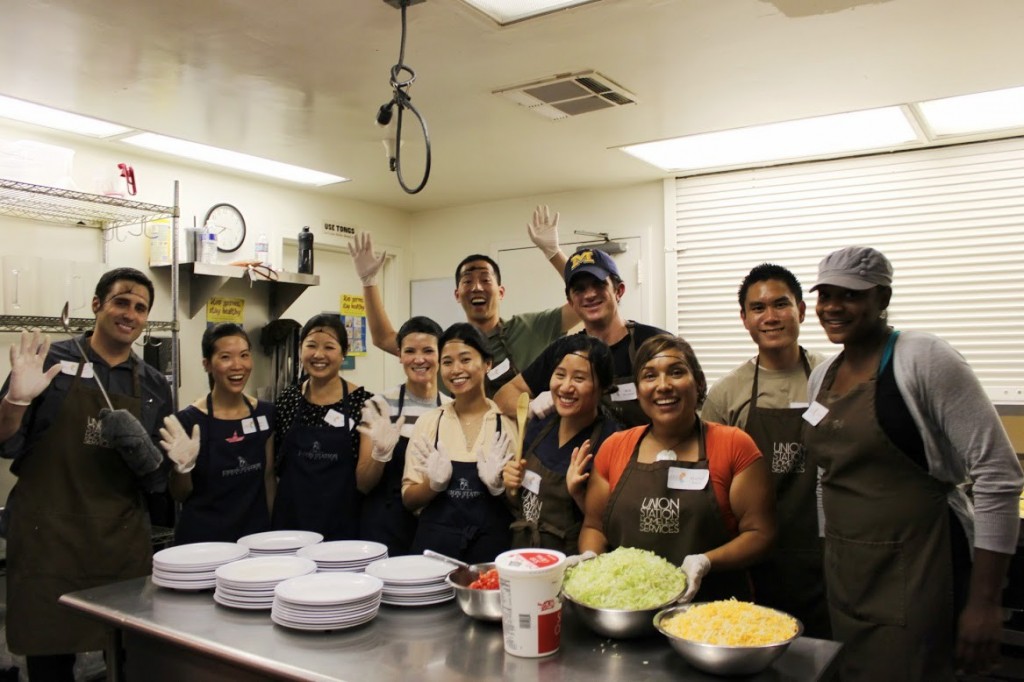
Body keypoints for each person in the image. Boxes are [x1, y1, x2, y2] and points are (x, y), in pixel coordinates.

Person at [803, 246, 1024, 680]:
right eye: (825, 295)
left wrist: (984, 603)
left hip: (922, 566)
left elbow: (998, 474)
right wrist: (830, 549)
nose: (832, 307)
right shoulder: (821, 376)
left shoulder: (922, 358)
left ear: (882, 299)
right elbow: (825, 475)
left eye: (849, 295)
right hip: (849, 573)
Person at [0, 267, 172, 681]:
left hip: (117, 543)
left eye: (141, 307)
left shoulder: (151, 385)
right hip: (49, 540)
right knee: (49, 659)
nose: (130, 313)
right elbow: (4, 442)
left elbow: (157, 477)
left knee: (127, 657)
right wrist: (15, 400)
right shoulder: (51, 364)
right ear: (97, 305)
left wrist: (164, 462)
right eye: (121, 302)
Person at [578, 334, 775, 602]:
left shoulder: (734, 445)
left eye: (676, 372)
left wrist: (705, 562)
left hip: (714, 612)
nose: (663, 385)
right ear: (638, 391)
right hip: (629, 607)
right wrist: (590, 561)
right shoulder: (615, 447)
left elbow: (760, 534)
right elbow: (594, 527)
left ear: (699, 383)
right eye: (649, 376)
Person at [700, 263, 830, 637]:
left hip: (825, 553)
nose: (770, 317)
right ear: (744, 318)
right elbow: (713, 480)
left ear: (802, 311)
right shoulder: (727, 393)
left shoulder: (833, 376)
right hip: (754, 556)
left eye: (781, 304)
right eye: (758, 308)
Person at [348, 206, 579, 395]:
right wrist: (369, 281)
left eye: (485, 280)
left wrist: (554, 253)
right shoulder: (443, 345)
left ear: (501, 292)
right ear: (457, 295)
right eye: (467, 281)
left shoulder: (530, 329)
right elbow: (382, 337)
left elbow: (580, 304)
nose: (476, 287)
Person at [495, 246, 668, 428]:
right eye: (579, 289)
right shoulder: (564, 351)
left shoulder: (654, 343)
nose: (590, 295)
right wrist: (530, 407)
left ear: (619, 291)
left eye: (599, 285)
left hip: (642, 454)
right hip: (582, 455)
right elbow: (504, 395)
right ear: (571, 302)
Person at [401, 323, 517, 563]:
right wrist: (432, 485)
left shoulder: (507, 424)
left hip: (492, 556)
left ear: (487, 364)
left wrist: (500, 489)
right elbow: (408, 498)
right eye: (447, 362)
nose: (456, 370)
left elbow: (524, 503)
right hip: (433, 554)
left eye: (465, 360)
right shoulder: (429, 423)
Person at [501, 334, 622, 554]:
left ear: (602, 386)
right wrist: (510, 486)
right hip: (522, 553)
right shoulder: (539, 424)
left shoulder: (610, 441)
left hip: (570, 564)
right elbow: (520, 499)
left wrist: (578, 493)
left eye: (579, 378)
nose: (566, 387)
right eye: (560, 375)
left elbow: (611, 527)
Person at [159, 323, 275, 545]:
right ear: (207, 364)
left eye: (244, 355)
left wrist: (271, 533)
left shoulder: (266, 414)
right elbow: (180, 494)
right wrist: (182, 468)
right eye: (225, 357)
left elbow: (268, 480)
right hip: (204, 541)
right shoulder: (189, 421)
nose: (237, 365)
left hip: (254, 537)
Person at [356, 316, 451, 556]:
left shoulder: (451, 409)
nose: (419, 359)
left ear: (440, 354)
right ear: (399, 355)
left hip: (435, 526)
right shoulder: (379, 406)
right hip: (385, 527)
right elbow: (363, 484)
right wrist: (380, 454)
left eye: (428, 350)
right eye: (410, 351)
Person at [273, 314, 373, 540]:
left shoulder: (364, 403)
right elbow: (273, 471)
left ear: (344, 352)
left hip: (343, 527)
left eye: (329, 347)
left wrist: (381, 454)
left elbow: (365, 483)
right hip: (291, 526)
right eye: (311, 346)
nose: (319, 355)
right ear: (300, 349)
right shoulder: (287, 400)